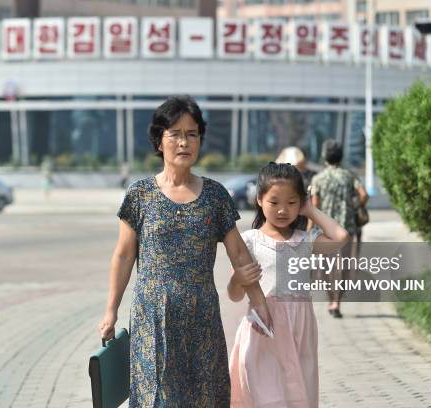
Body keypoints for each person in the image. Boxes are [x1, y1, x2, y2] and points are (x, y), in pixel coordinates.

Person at [98, 96, 273, 407]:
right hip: (152, 316)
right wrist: (110, 311)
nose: (184, 142)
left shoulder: (216, 195)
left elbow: (239, 254)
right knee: (157, 398)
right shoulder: (140, 195)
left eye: (192, 134)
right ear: (159, 140)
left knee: (204, 396)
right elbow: (124, 256)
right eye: (175, 134)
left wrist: (260, 303)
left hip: (201, 315)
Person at [228, 162, 348, 408]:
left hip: (299, 329)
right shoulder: (249, 241)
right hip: (264, 329)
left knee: (297, 390)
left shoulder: (305, 240)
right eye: (274, 202)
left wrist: (311, 211)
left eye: (292, 203)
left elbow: (340, 237)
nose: (283, 210)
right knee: (265, 393)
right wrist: (237, 279)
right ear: (259, 199)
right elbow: (234, 295)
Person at [310, 139, 369, 318]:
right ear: (341, 156)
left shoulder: (318, 179)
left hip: (325, 230)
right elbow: (364, 195)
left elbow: (314, 207)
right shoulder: (349, 176)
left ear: (324, 156)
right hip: (346, 227)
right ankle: (337, 301)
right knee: (343, 266)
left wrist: (309, 228)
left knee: (325, 267)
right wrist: (353, 206)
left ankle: (330, 300)